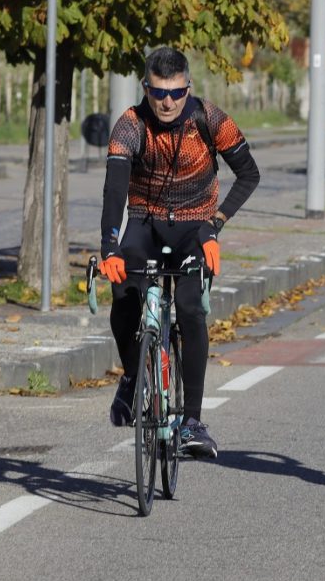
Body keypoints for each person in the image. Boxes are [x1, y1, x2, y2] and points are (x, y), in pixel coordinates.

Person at [98, 47, 260, 458]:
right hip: (145, 221)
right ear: (146, 88)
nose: (167, 102)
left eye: (176, 93)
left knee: (190, 307)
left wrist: (215, 225)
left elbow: (249, 174)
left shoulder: (210, 119)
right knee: (123, 292)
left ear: (188, 88)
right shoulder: (130, 126)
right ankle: (134, 376)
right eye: (158, 93)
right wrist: (109, 247)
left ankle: (192, 419)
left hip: (197, 227)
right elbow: (115, 189)